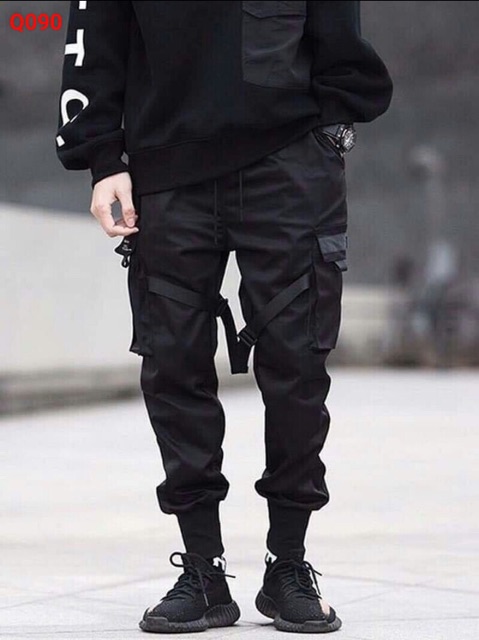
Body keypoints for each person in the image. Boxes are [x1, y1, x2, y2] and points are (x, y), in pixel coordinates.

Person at [56, 1, 392, 634]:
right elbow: (92, 29)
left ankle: (288, 563)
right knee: (173, 364)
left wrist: (333, 126)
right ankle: (203, 571)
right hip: (164, 163)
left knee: (297, 364)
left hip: (290, 156)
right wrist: (102, 158)